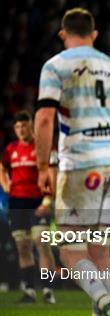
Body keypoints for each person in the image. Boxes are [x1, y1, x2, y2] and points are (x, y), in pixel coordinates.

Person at [34, 8, 110, 316]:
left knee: (69, 249)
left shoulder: (56, 66)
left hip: (81, 164)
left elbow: (46, 118)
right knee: (100, 250)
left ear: (64, 34)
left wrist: (42, 166)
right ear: (95, 35)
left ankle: (108, 308)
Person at [0, 110, 57, 304]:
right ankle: (30, 291)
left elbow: (52, 173)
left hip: (38, 202)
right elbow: (2, 167)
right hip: (17, 202)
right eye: (17, 127)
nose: (20, 129)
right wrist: (6, 186)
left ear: (31, 125)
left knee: (42, 243)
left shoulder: (42, 147)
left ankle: (48, 290)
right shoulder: (10, 149)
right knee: (22, 246)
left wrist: (48, 200)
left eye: (24, 125)